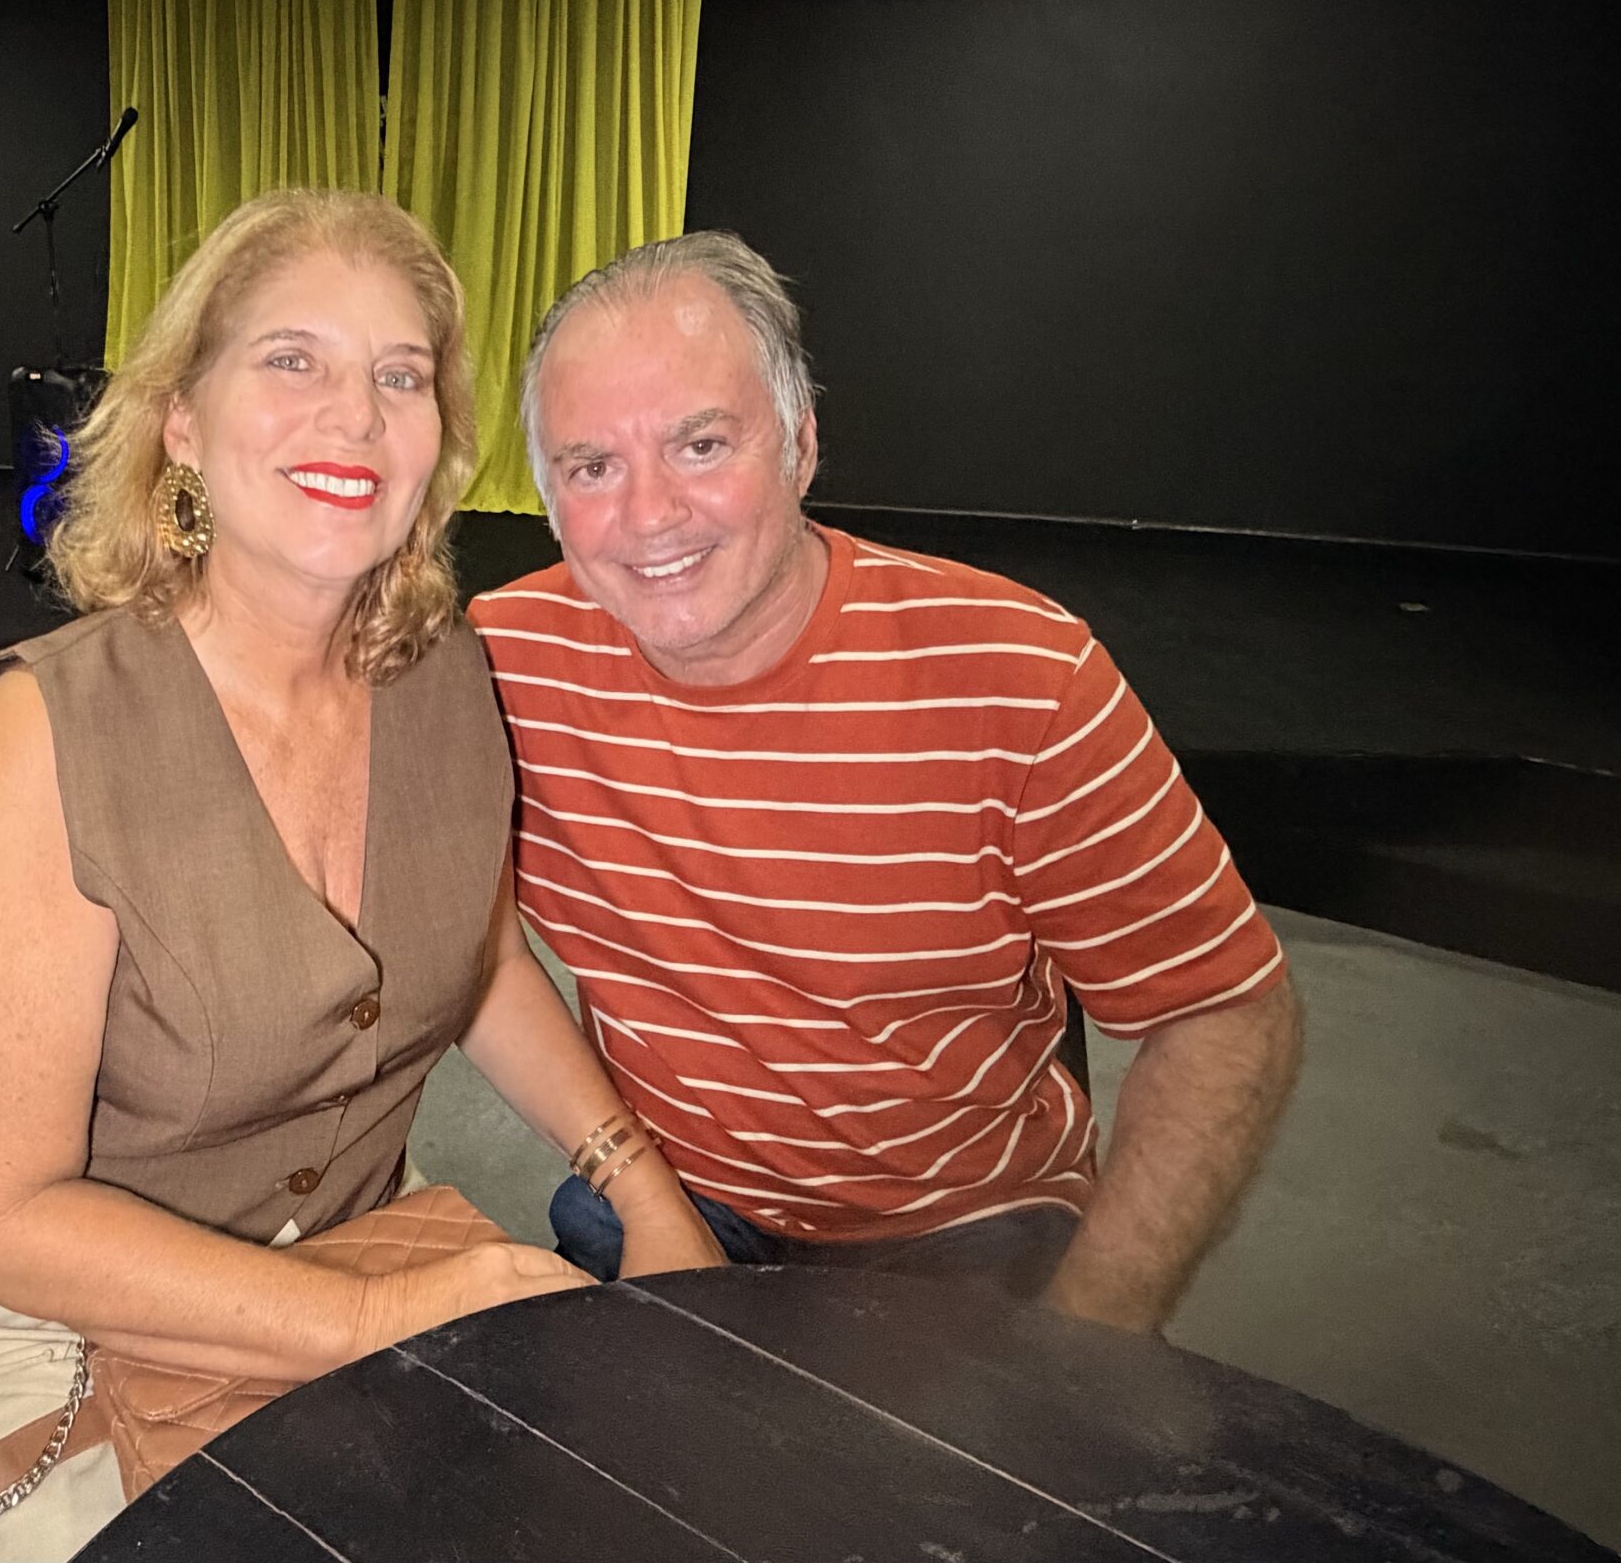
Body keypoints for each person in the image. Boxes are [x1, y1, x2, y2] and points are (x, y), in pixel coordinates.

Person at [0, 189, 722, 1561]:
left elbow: (479, 963)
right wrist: (373, 1319)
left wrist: (642, 1191)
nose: (354, 414)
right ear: (182, 417)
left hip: (329, 1268)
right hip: (7, 1334)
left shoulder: (447, 679)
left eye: (398, 375)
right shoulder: (54, 728)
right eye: (294, 359)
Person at [475, 231, 1304, 1330]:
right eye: (592, 466)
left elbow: (1223, 1013)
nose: (650, 513)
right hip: (665, 1190)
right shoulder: (499, 667)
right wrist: (636, 1185)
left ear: (801, 445)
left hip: (962, 1222)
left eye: (701, 444)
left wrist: (1092, 1336)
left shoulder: (1020, 677)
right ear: (543, 493)